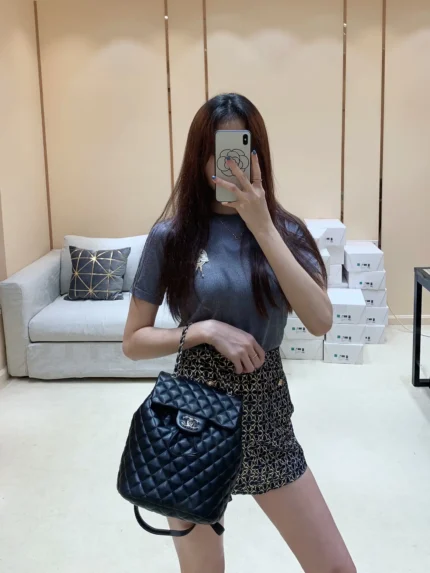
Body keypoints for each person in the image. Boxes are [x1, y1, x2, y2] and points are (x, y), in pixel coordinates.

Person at [123, 93, 356, 573]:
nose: (227, 164)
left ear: (258, 155)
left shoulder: (286, 232)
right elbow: (134, 341)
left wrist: (262, 226)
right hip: (193, 415)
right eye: (216, 151)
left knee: (335, 568)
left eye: (239, 149)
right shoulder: (171, 236)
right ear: (198, 158)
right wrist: (203, 330)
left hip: (267, 413)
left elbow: (320, 321)